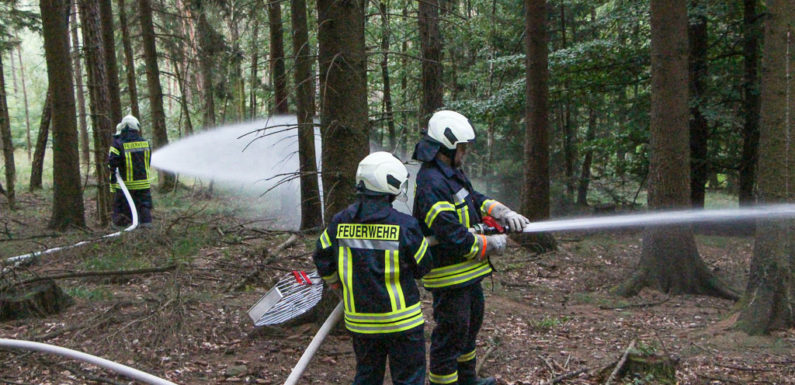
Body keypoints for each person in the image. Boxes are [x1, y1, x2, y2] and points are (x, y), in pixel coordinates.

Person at [412, 110, 530, 385]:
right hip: (448, 274)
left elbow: (473, 198)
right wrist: (489, 244)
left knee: (469, 329)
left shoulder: (451, 173)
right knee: (451, 334)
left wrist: (500, 210)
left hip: (467, 272)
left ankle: (467, 380)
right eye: (462, 148)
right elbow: (450, 233)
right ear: (447, 146)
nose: (465, 153)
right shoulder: (431, 182)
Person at [313, 152, 433, 385]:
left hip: (361, 324)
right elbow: (424, 266)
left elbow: (321, 255)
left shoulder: (340, 221)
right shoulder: (405, 225)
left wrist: (336, 282)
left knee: (367, 377)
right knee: (409, 379)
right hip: (402, 323)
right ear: (389, 183)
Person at [108, 115, 153, 227]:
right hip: (144, 184)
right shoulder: (146, 143)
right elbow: (148, 161)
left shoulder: (119, 144)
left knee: (121, 210)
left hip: (126, 185)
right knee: (144, 206)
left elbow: (112, 164)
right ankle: (146, 228)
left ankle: (122, 230)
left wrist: (113, 181)